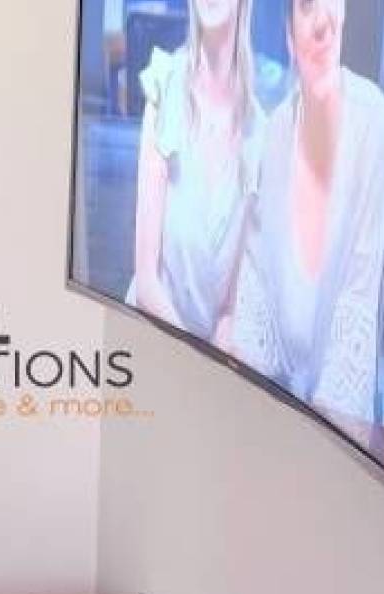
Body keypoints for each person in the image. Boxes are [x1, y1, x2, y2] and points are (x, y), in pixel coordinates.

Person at [232, 0, 384, 431]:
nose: (322, 20)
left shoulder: (371, 118)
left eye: (331, 3)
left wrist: (315, 436)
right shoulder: (275, 130)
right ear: (289, 35)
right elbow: (255, 281)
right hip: (273, 409)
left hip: (337, 426)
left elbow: (359, 294)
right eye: (307, 5)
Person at [131, 0, 265, 349]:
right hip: (150, 342)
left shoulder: (258, 132)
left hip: (208, 362)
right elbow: (146, 283)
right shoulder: (165, 85)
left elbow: (229, 307)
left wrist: (220, 348)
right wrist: (195, 360)